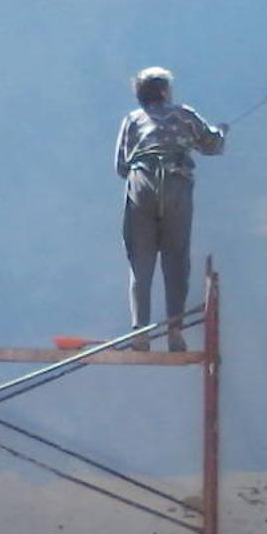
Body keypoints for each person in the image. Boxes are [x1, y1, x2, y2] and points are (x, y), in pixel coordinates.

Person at [115, 67, 227, 351]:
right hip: (176, 185)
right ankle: (174, 330)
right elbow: (211, 145)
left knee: (141, 262)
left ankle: (140, 331)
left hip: (141, 185)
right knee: (176, 260)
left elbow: (120, 165)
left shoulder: (132, 120)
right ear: (164, 91)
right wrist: (221, 132)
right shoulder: (184, 114)